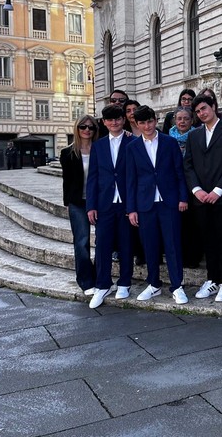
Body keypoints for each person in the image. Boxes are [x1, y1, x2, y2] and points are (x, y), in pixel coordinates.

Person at [126, 106, 189, 305]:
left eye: (150, 121)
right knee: (150, 246)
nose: (147, 126)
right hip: (145, 203)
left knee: (173, 245)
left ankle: (177, 286)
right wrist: (131, 209)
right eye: (142, 123)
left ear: (156, 120)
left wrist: (183, 198)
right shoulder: (132, 148)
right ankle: (153, 283)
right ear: (137, 124)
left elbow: (179, 172)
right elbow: (131, 180)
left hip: (169, 202)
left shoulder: (169, 142)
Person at [184, 93, 222, 302]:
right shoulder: (194, 135)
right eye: (198, 111)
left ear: (214, 107)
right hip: (200, 199)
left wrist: (218, 190)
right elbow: (188, 165)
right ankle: (212, 279)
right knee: (208, 241)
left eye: (204, 109)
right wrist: (196, 189)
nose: (201, 113)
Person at [86, 104, 135, 308]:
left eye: (117, 119)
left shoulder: (133, 142)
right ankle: (103, 284)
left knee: (126, 244)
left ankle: (125, 283)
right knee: (103, 245)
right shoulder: (98, 146)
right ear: (104, 123)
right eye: (110, 119)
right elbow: (93, 177)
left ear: (123, 120)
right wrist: (91, 205)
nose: (114, 122)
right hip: (105, 202)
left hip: (126, 202)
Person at [60, 115, 99, 296]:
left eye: (91, 127)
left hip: (99, 201)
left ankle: (100, 277)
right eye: (83, 127)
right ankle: (85, 280)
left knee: (103, 242)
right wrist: (67, 202)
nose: (87, 130)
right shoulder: (67, 153)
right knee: (81, 242)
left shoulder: (100, 149)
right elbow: (66, 181)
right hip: (77, 202)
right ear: (77, 129)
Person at [169, 106, 203, 269]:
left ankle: (193, 257)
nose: (182, 122)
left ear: (192, 120)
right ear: (175, 120)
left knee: (193, 225)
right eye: (179, 118)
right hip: (173, 187)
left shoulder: (198, 136)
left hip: (193, 186)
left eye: (186, 119)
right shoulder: (167, 138)